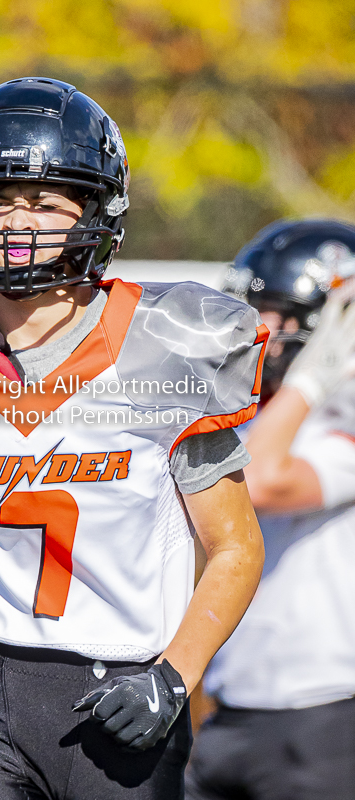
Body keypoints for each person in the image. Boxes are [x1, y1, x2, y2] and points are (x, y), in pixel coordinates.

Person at [0, 77, 265, 800]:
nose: (15, 224)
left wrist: (174, 678)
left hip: (123, 689)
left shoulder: (168, 348)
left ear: (95, 213)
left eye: (43, 203)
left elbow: (235, 546)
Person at [186, 219, 355, 800]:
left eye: (279, 314)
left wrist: (314, 381)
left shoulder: (337, 418)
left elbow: (259, 479)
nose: (261, 331)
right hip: (235, 707)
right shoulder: (257, 416)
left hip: (321, 715)